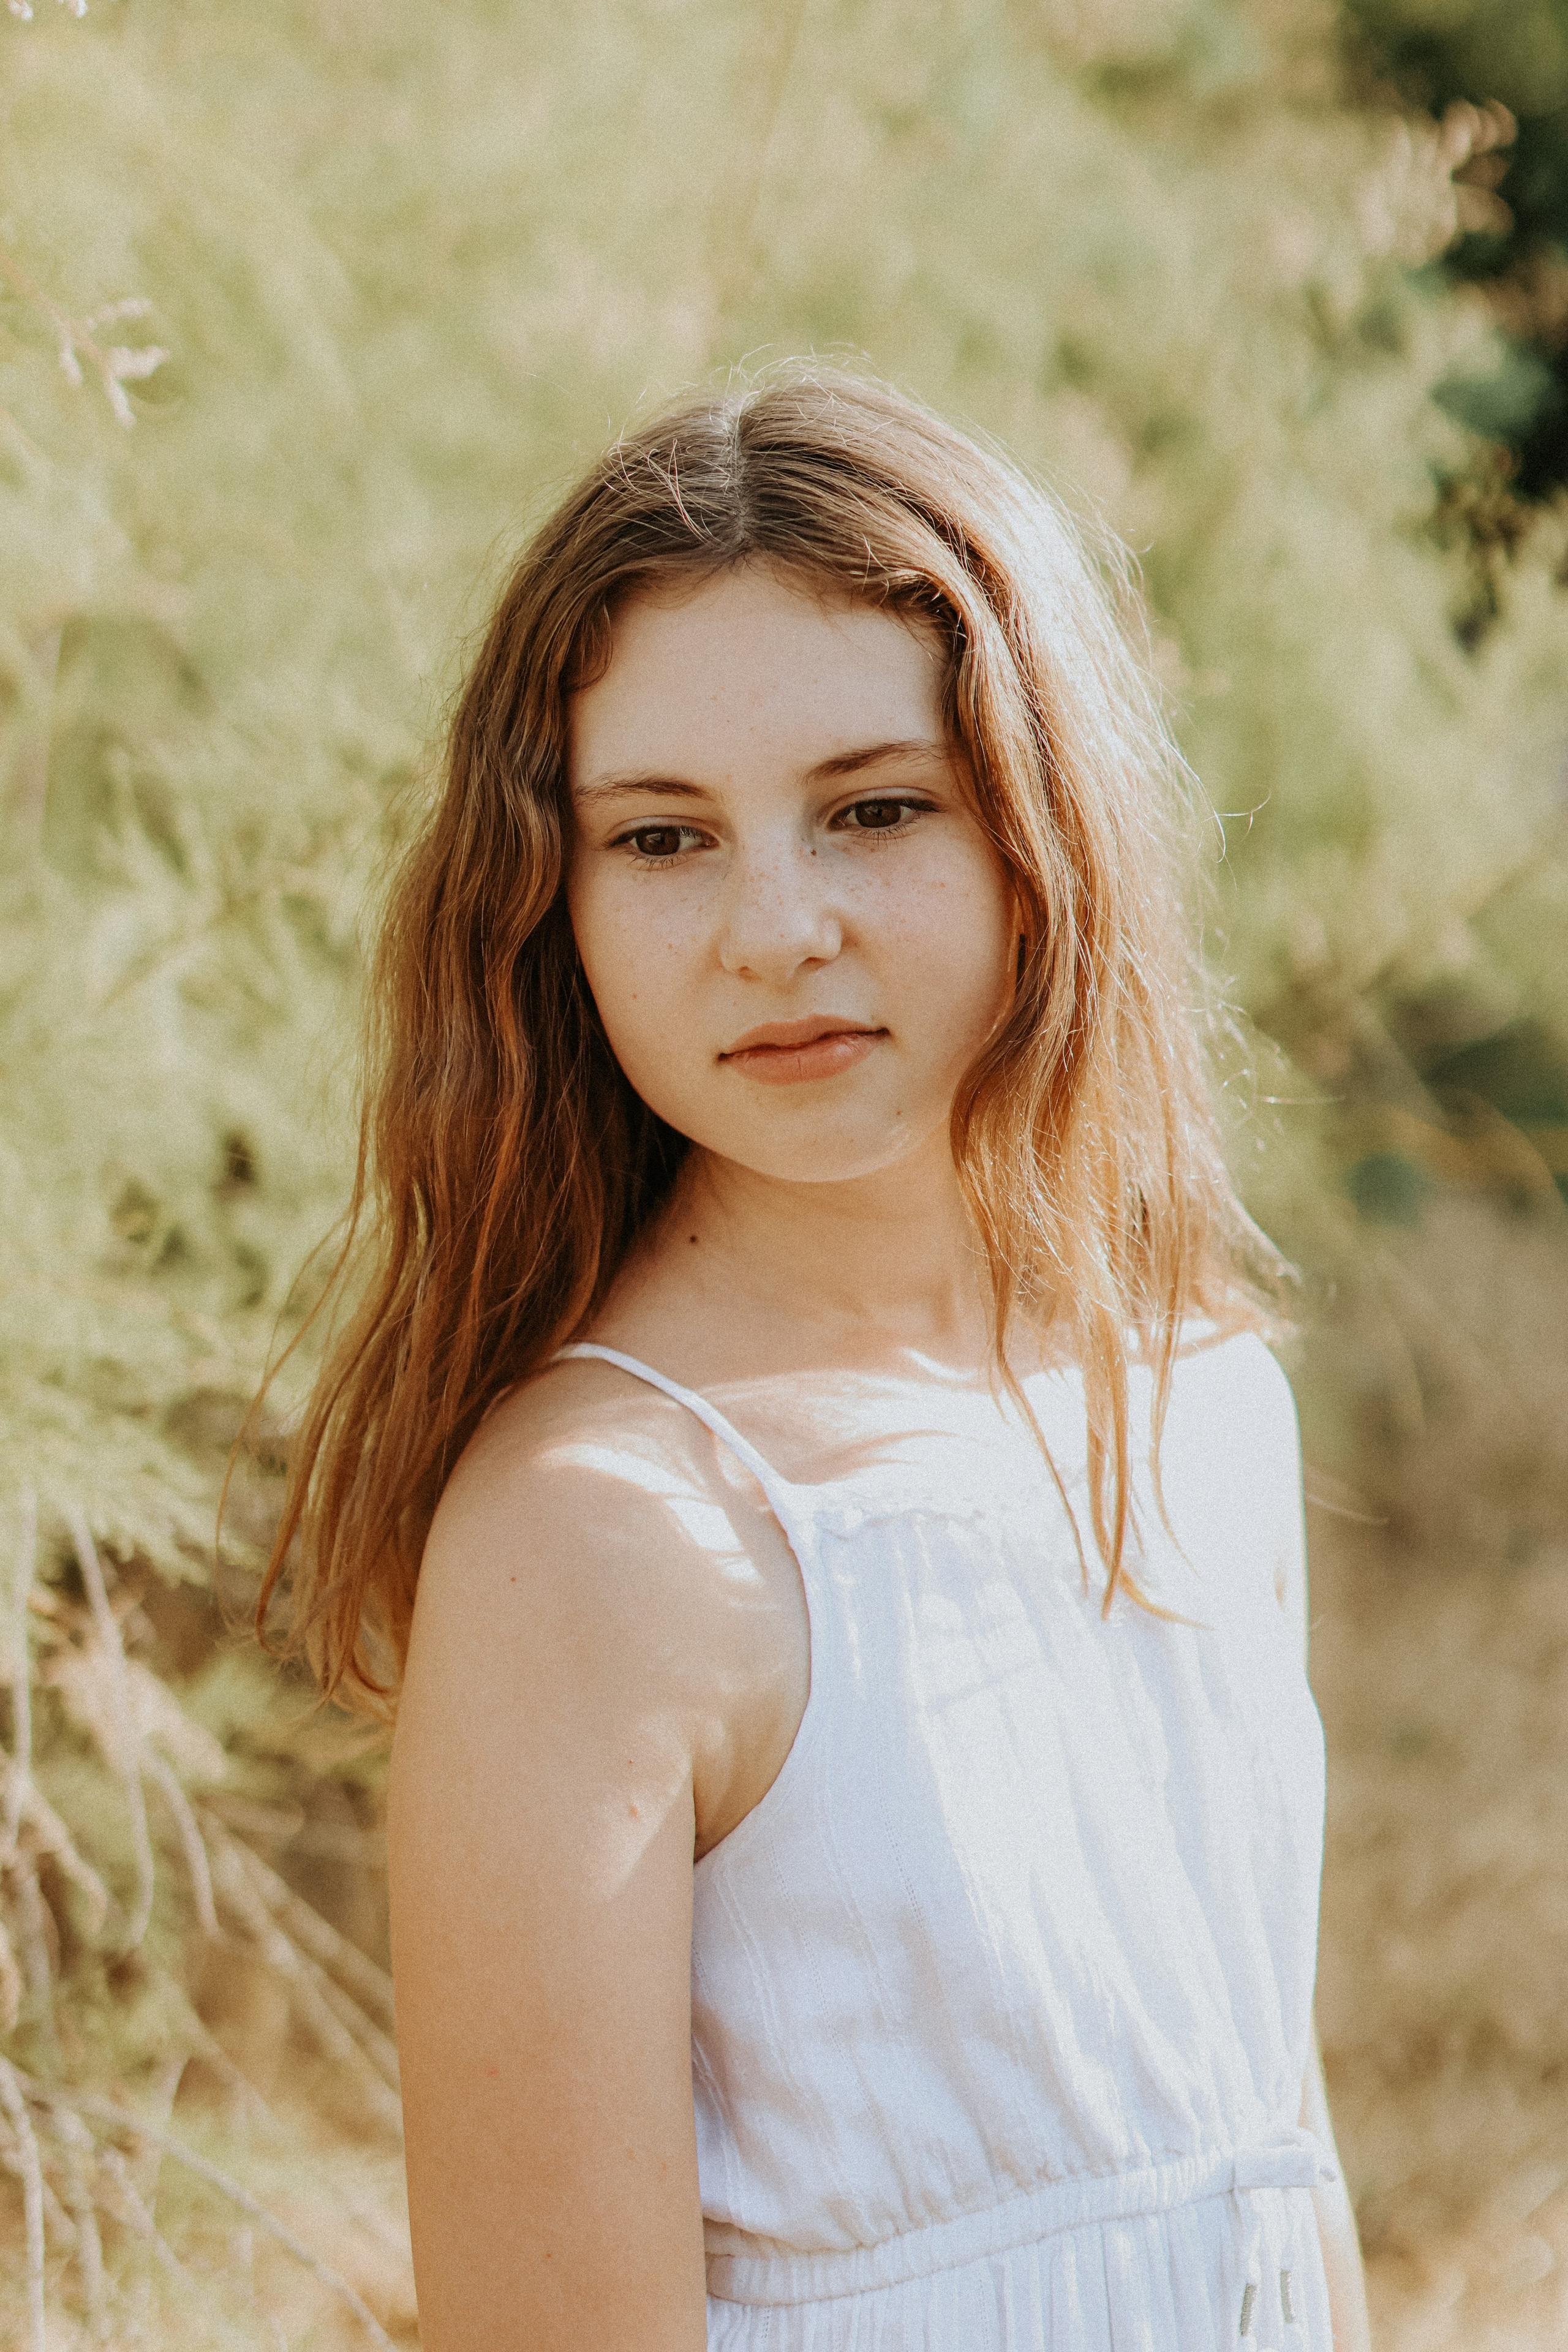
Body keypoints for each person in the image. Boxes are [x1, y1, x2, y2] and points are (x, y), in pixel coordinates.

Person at [263, 368, 1374, 2351]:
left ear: (1050, 824)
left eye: (875, 809)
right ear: (555, 905)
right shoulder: (603, 1544)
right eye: (663, 837)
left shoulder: (1197, 1388)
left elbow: (1275, 2170)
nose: (776, 928)